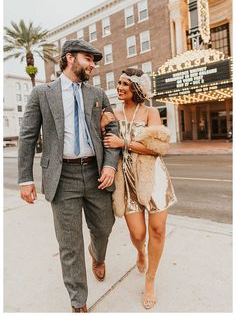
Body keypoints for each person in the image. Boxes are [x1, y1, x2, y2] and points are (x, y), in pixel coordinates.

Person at [18, 39, 120, 313]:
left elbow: (113, 130)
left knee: (103, 228)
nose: (93, 64)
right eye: (88, 58)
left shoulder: (98, 93)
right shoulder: (42, 93)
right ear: (70, 58)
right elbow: (27, 137)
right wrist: (25, 179)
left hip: (97, 173)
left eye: (94, 60)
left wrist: (110, 165)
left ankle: (97, 256)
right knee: (69, 242)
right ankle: (78, 300)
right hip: (62, 177)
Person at [101, 68, 177, 309]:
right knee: (137, 234)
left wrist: (123, 142)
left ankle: (150, 280)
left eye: (124, 83)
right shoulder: (113, 114)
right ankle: (140, 252)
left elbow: (158, 148)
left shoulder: (151, 112)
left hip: (153, 177)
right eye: (118, 83)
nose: (119, 87)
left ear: (135, 88)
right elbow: (106, 145)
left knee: (156, 231)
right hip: (127, 181)